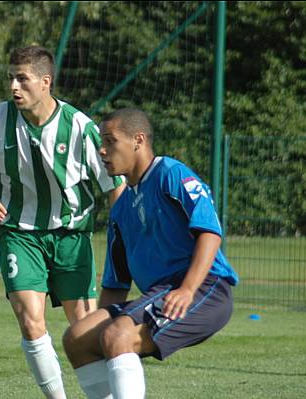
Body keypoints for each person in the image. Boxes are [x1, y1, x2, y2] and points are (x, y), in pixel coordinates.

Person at [0, 45, 124, 399]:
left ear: (45, 82)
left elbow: (115, 185)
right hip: (18, 232)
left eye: (23, 79)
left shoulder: (80, 127)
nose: (14, 87)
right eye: (10, 78)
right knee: (30, 321)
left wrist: (124, 236)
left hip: (71, 237)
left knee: (83, 331)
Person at [61, 108, 239, 399]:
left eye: (110, 140)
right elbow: (116, 284)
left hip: (206, 288)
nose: (102, 151)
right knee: (78, 338)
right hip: (161, 292)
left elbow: (210, 232)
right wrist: (99, 330)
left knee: (118, 335)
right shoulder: (120, 210)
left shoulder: (171, 173)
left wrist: (187, 289)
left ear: (138, 140)